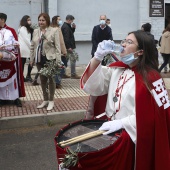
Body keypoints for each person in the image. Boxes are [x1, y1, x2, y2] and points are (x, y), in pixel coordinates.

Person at [80, 30, 170, 169]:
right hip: (112, 135)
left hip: (133, 137)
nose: (123, 44)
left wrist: (122, 123)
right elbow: (93, 86)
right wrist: (97, 57)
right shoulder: (117, 69)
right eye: (124, 40)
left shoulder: (152, 78)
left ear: (140, 51)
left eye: (129, 42)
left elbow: (154, 116)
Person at [30, 13, 61, 111]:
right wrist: (31, 59)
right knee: (43, 80)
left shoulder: (54, 30)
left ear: (47, 21)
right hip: (39, 59)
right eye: (39, 20)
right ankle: (45, 99)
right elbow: (32, 46)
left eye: (43, 20)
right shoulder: (35, 31)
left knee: (51, 80)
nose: (41, 22)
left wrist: (58, 61)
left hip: (50, 59)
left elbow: (57, 47)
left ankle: (51, 100)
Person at [0, 13, 25, 107]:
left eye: (0, 19)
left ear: (3, 20)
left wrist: (16, 45)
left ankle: (15, 98)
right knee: (1, 79)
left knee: (12, 79)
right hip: (0, 60)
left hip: (10, 60)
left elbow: (15, 43)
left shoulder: (11, 30)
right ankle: (1, 99)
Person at [61, 14, 80, 79]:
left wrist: (73, 29)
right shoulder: (66, 27)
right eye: (71, 21)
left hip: (67, 46)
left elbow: (70, 34)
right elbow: (66, 38)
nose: (72, 22)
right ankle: (73, 74)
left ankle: (63, 73)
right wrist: (69, 47)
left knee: (65, 60)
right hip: (68, 47)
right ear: (69, 20)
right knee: (73, 59)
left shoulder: (66, 26)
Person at [51, 15, 67, 88]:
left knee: (55, 67)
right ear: (55, 20)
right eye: (59, 19)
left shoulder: (50, 28)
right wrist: (64, 51)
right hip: (59, 52)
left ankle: (55, 81)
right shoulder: (57, 29)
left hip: (52, 52)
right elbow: (61, 42)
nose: (60, 21)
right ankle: (57, 82)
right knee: (62, 67)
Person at [18, 15, 34, 82]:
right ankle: (24, 76)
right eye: (28, 20)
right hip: (24, 48)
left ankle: (27, 75)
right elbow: (26, 39)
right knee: (23, 62)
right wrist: (32, 47)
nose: (29, 21)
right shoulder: (23, 28)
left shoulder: (26, 28)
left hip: (26, 48)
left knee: (28, 62)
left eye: (30, 20)